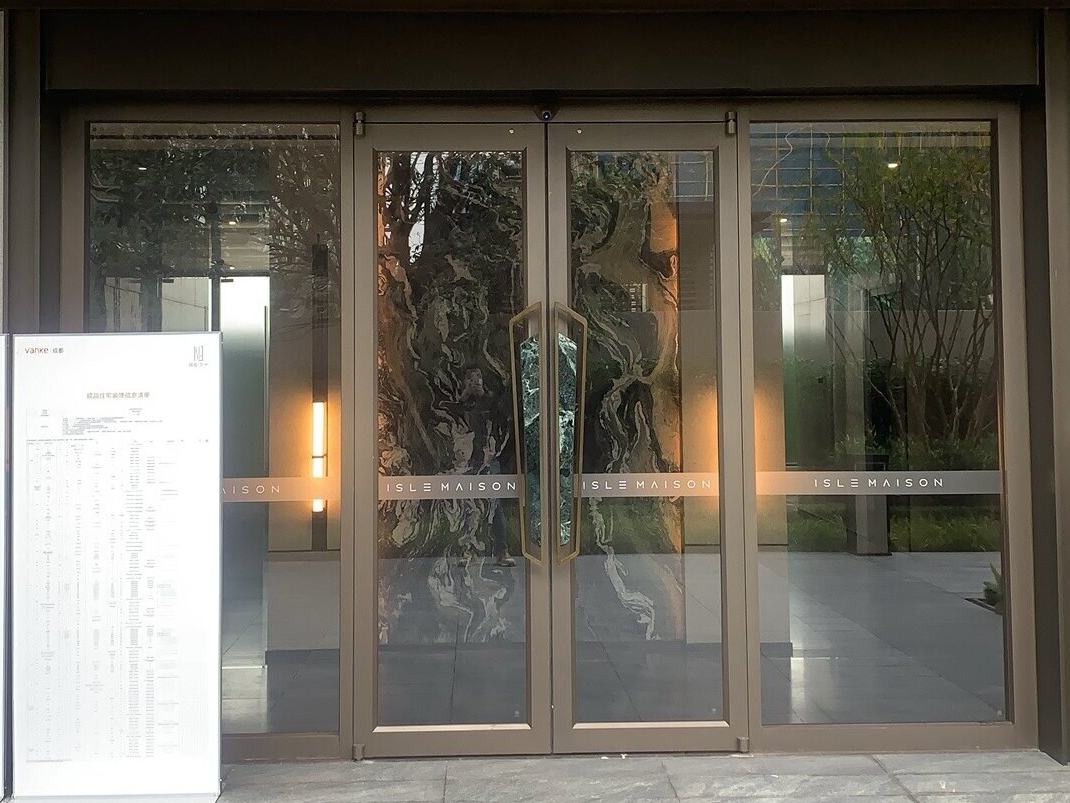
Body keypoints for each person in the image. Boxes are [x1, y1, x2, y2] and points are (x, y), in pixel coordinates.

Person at [458, 366, 515, 568]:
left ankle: (501, 550)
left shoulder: (491, 400)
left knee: (494, 505)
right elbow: (453, 422)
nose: (474, 383)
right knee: (468, 505)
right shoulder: (461, 402)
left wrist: (483, 395)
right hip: (467, 459)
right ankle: (468, 551)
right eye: (470, 379)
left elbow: (503, 419)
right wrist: (463, 399)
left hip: (489, 457)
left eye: (477, 379)